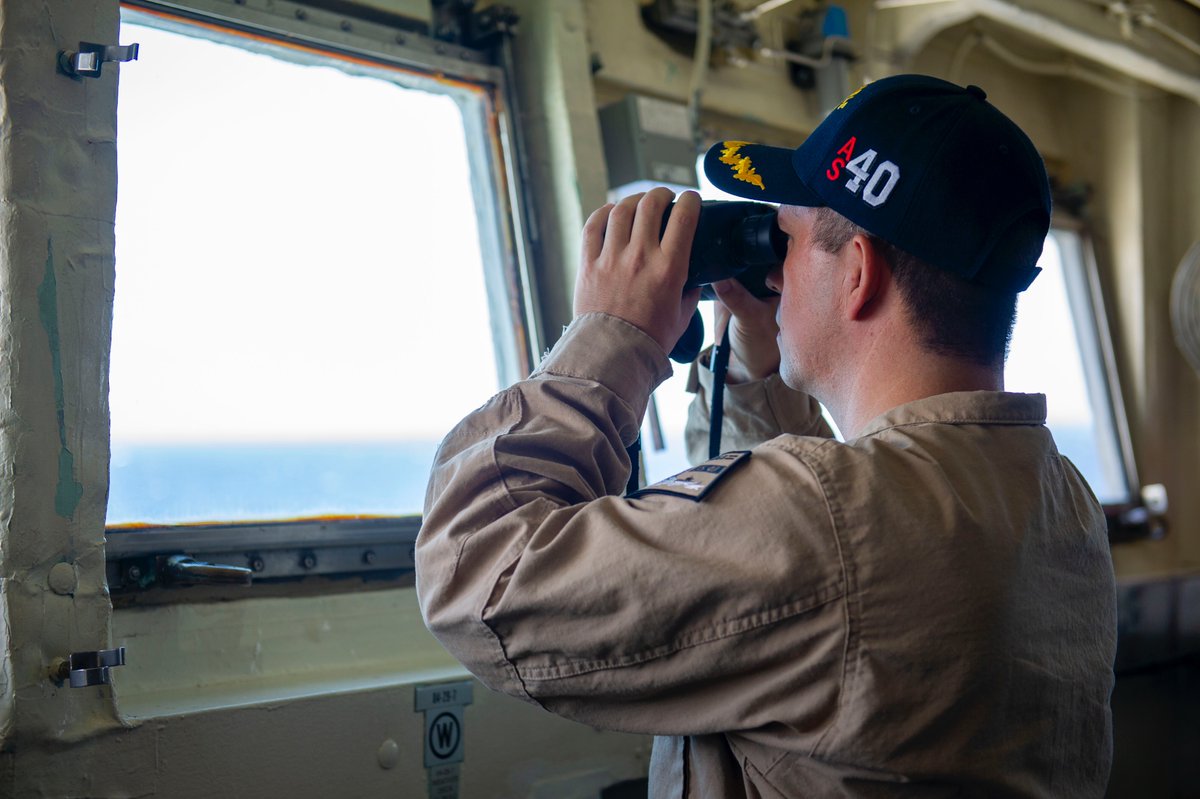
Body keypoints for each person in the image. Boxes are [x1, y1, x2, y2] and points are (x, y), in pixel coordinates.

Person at [416, 74, 1117, 797]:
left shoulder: (829, 521)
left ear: (857, 272)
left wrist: (612, 338)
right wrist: (760, 363)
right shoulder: (1059, 502)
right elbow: (814, 573)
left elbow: (477, 575)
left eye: (788, 238)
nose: (775, 268)